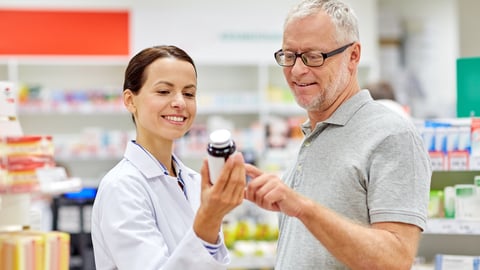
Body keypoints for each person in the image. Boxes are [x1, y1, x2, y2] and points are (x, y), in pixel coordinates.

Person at [244, 1, 432, 269]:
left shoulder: (391, 135)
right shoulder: (313, 135)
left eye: (313, 56)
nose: (297, 70)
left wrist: (304, 208)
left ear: (353, 56)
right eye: (289, 55)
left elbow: (395, 259)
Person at [91, 45, 247, 270]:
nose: (180, 103)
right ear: (130, 100)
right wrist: (210, 218)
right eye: (164, 91)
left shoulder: (193, 181)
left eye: (189, 93)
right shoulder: (122, 187)